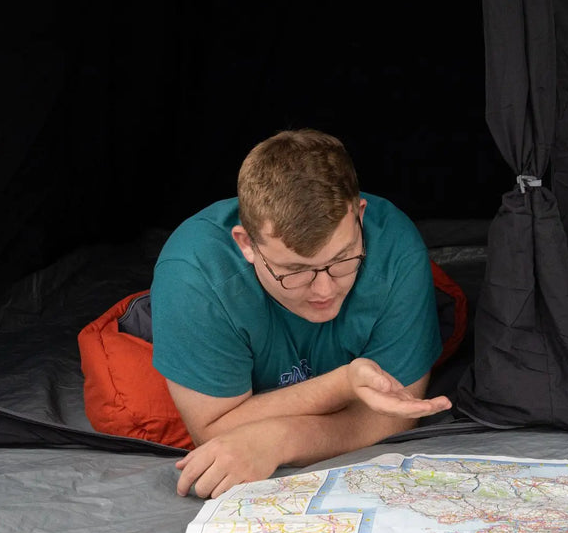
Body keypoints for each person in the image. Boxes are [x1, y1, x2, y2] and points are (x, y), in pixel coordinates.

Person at [150, 128, 451, 499]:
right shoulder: (194, 273)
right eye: (294, 271)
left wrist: (280, 439)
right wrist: (343, 385)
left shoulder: (395, 248)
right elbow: (213, 432)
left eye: (342, 260)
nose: (324, 291)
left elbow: (397, 413)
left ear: (359, 216)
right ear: (246, 244)